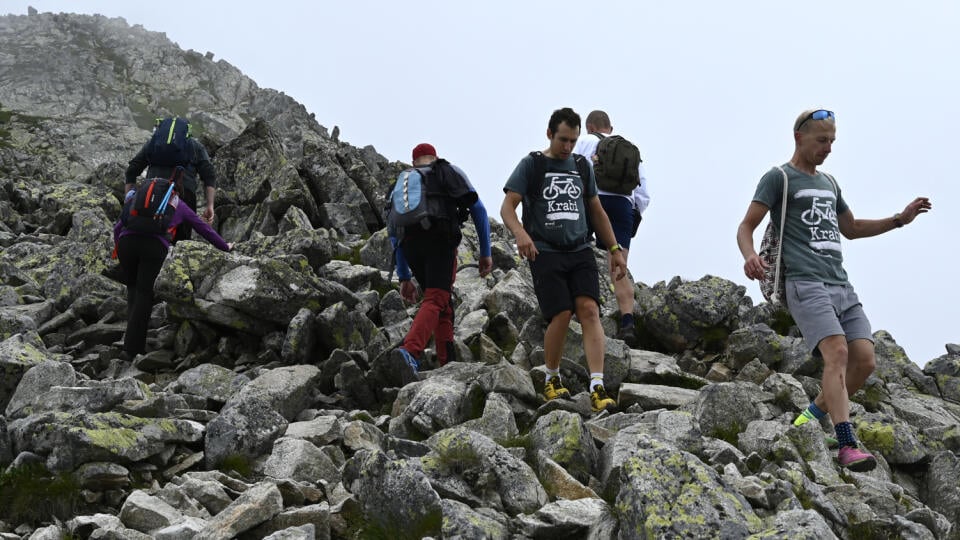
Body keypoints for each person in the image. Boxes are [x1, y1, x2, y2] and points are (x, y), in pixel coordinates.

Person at [736, 108, 932, 471]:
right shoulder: (779, 178)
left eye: (832, 142)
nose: (828, 148)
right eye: (821, 140)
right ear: (799, 137)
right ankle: (846, 444)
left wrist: (899, 221)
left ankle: (810, 417)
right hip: (805, 282)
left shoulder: (829, 183)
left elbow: (852, 228)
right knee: (837, 352)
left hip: (840, 282)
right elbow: (746, 225)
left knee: (865, 360)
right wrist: (750, 257)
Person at [500, 107, 627, 413]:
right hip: (545, 251)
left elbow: (596, 210)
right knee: (561, 313)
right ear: (549, 134)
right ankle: (551, 378)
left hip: (580, 250)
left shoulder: (582, 166)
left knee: (590, 310)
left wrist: (614, 249)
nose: (568, 146)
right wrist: (520, 234)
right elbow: (507, 207)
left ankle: (597, 386)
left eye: (573, 140)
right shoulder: (532, 164)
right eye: (563, 140)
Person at [389, 143, 493, 382]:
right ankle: (410, 351)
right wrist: (485, 252)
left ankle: (448, 362)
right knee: (436, 298)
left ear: (413, 161)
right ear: (434, 157)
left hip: (411, 246)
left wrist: (404, 277)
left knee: (442, 301)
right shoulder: (447, 171)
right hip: (439, 239)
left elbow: (393, 231)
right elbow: (478, 208)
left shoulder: (403, 184)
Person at [114, 180, 232, 358]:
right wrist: (225, 247)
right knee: (145, 294)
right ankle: (132, 349)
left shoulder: (137, 200)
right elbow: (203, 229)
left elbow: (118, 227)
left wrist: (119, 248)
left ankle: (129, 339)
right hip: (153, 247)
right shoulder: (178, 204)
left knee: (133, 289)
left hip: (126, 244)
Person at [573, 110, 650, 346]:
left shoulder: (584, 142)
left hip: (591, 201)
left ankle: (579, 310)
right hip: (622, 205)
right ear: (610, 127)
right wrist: (633, 213)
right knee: (618, 266)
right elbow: (643, 193)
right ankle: (627, 322)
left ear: (589, 127)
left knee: (578, 254)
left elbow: (571, 170)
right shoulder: (629, 149)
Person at [125, 118, 218, 241]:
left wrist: (128, 202)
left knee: (147, 234)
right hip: (184, 195)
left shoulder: (153, 143)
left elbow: (131, 171)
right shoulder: (195, 146)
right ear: (187, 133)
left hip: (151, 192)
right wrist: (210, 205)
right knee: (180, 243)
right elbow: (209, 175)